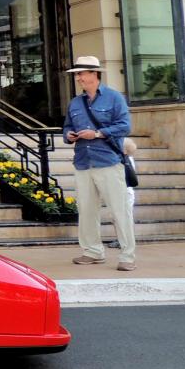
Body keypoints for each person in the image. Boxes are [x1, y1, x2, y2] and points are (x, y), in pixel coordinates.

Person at [62, 55, 135, 270]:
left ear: (94, 74)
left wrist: (97, 134)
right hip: (83, 162)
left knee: (119, 210)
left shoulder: (114, 98)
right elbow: (66, 127)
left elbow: (124, 126)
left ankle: (127, 256)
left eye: (81, 74)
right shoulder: (75, 103)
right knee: (86, 210)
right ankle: (92, 251)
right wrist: (70, 136)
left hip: (108, 161)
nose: (79, 78)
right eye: (77, 75)